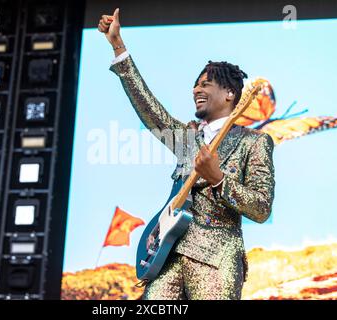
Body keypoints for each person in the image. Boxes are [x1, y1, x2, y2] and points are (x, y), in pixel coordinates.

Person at [98, 8, 275, 300]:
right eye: (195, 84)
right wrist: (118, 46)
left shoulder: (254, 142)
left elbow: (261, 207)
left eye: (205, 83)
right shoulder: (186, 137)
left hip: (216, 262)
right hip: (166, 259)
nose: (196, 89)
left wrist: (218, 179)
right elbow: (149, 109)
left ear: (230, 93)